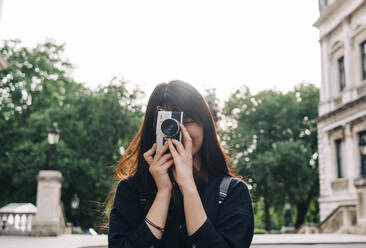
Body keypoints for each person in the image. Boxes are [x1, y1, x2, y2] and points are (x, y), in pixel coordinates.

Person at [108, 80, 254, 248]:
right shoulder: (131, 190)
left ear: (204, 125)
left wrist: (188, 187)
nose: (176, 130)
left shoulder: (231, 192)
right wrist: (163, 193)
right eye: (167, 123)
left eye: (187, 121)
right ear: (153, 128)